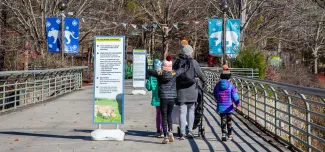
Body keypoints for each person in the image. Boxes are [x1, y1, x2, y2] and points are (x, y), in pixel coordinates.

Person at [147, 56, 188, 144]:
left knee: (164, 116)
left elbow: (149, 71)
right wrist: (184, 63)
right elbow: (182, 70)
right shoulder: (174, 73)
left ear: (163, 67)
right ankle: (170, 132)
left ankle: (165, 136)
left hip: (163, 98)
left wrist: (158, 71)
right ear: (170, 66)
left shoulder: (160, 74)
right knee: (169, 115)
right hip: (172, 98)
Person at [173, 44, 206, 140]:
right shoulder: (194, 62)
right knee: (191, 110)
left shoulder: (177, 62)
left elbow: (173, 75)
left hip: (180, 90)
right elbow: (201, 75)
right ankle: (190, 130)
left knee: (182, 112)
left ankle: (182, 133)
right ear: (190, 53)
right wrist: (204, 82)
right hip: (192, 89)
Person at [213, 66, 240, 141]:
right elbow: (234, 95)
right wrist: (237, 103)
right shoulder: (231, 85)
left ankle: (223, 134)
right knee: (229, 120)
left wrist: (217, 100)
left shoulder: (218, 85)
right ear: (229, 77)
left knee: (223, 120)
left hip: (221, 105)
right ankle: (230, 134)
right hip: (229, 107)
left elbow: (214, 93)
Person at [145, 59, 163, 138]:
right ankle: (164, 130)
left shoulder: (152, 76)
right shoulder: (163, 73)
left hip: (156, 98)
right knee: (164, 114)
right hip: (164, 97)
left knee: (158, 114)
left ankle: (158, 130)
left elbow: (148, 87)